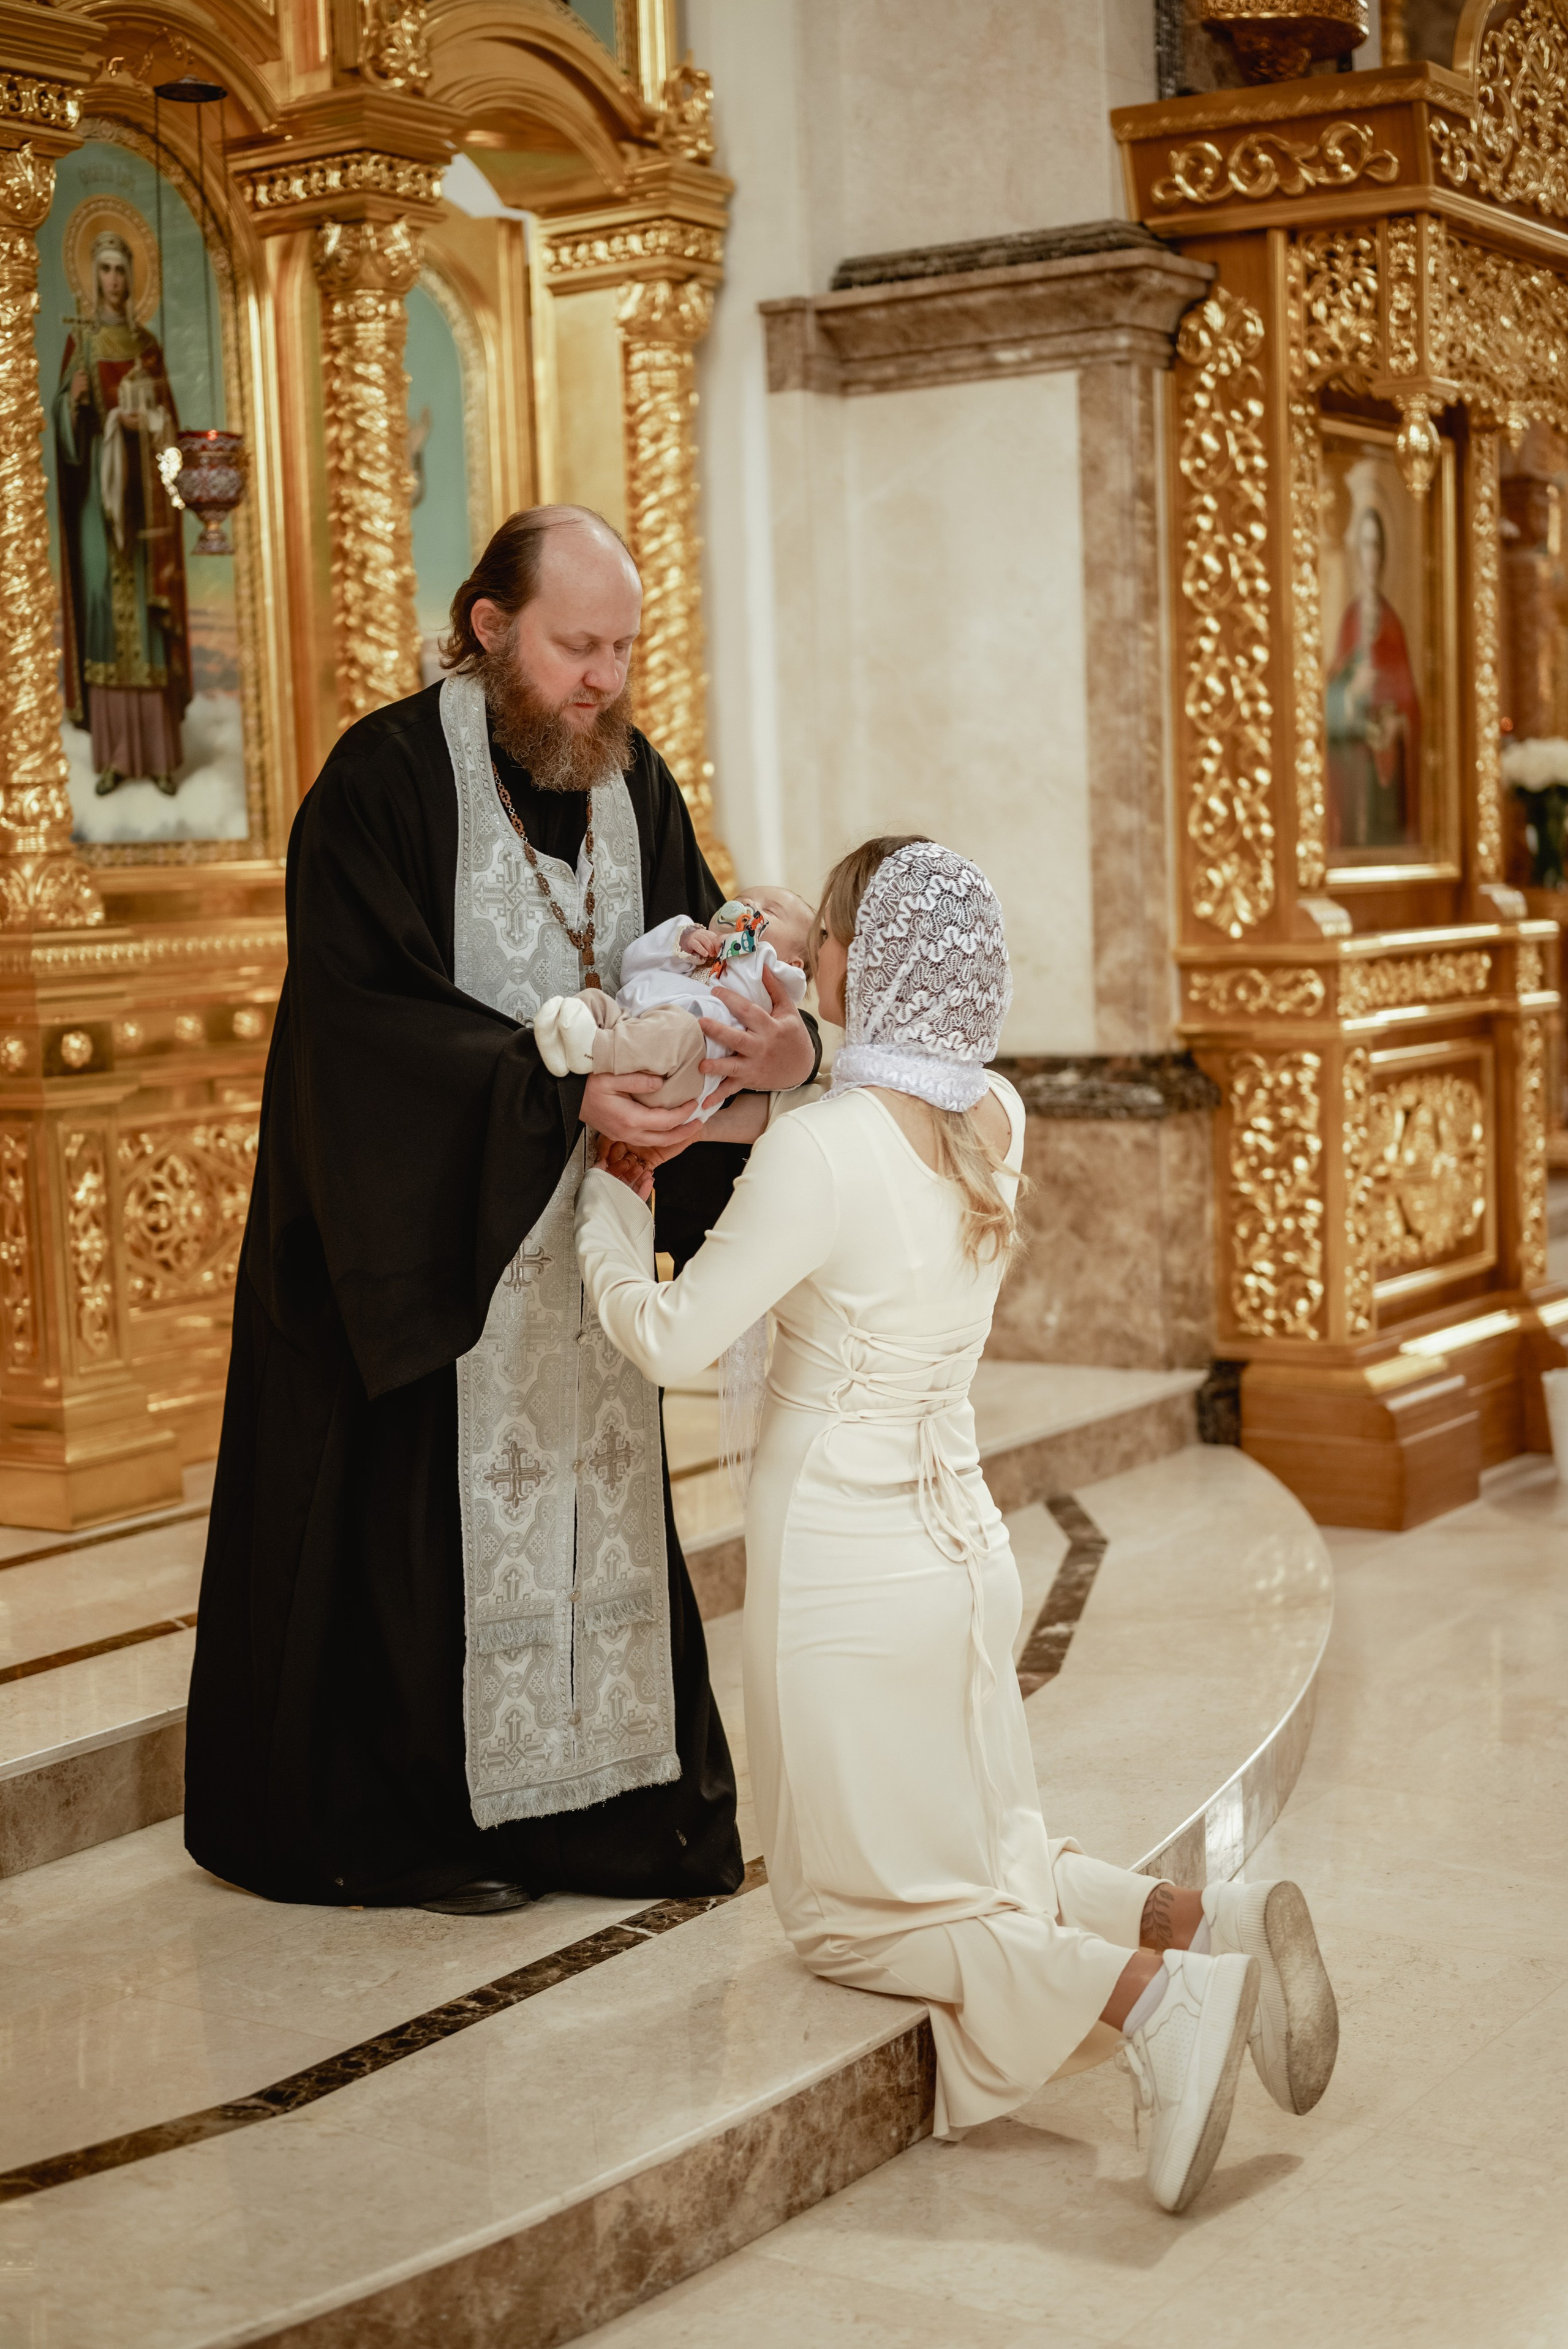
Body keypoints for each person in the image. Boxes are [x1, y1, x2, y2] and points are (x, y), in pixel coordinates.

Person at [576, 834, 1339, 2214]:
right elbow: (886, 1072)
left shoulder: (817, 1154)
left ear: (863, 967)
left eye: (825, 945)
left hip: (841, 1579)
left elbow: (672, 1335)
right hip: (965, 1555)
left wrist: (611, 1206)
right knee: (973, 1865)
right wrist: (824, 972)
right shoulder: (993, 1119)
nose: (804, 961)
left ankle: (1151, 2001)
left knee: (849, 1919)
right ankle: (1191, 1920)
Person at [184, 505, 818, 1914]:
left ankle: (591, 1818)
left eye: (621, 649)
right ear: (489, 626)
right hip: (426, 1245)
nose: (601, 676)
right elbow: (360, 1030)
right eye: (574, 645)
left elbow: (696, 951)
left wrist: (748, 1048)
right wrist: (555, 1096)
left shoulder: (631, 778)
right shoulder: (385, 777)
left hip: (579, 1249)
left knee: (588, 1508)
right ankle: (405, 1828)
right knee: (420, 1536)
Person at [53, 228, 191, 797]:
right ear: (93, 278)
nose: (113, 281)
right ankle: (111, 756)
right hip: (99, 507)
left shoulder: (148, 343)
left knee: (147, 613)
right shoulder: (80, 346)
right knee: (104, 614)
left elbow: (173, 431)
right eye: (104, 269)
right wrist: (78, 402)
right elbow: (65, 427)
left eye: (119, 269)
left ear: (132, 278)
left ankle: (158, 756)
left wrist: (152, 421)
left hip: (147, 504)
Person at [535, 889, 813, 1116]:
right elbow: (632, 967)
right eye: (742, 899)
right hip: (632, 1024)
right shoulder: (694, 955)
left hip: (683, 1069)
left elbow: (761, 967)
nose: (749, 905)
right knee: (596, 1002)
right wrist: (684, 940)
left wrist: (744, 942)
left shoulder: (773, 979)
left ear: (793, 963)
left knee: (677, 1029)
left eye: (770, 911)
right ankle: (559, 1038)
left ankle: (594, 1050)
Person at [1326, 503, 1420, 851]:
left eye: (1377, 545)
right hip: (1354, 766)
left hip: (1388, 779)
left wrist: (1399, 723)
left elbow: (1412, 705)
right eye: (1365, 545)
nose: (1371, 556)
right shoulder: (1350, 621)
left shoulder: (1393, 624)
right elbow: (1328, 699)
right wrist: (1351, 693)